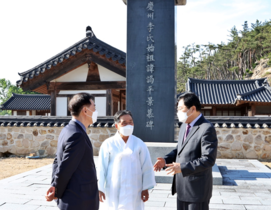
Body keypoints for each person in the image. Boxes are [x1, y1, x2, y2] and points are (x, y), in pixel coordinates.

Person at [154, 92, 218, 210]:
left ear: (192, 109)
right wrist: (165, 160)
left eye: (180, 109)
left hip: (197, 190)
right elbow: (180, 149)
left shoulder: (206, 128)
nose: (178, 112)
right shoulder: (185, 125)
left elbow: (208, 159)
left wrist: (182, 167)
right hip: (182, 187)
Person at [45, 93, 99, 210]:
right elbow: (65, 167)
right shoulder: (77, 134)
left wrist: (54, 185)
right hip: (79, 200)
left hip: (74, 198)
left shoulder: (67, 129)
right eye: (94, 107)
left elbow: (57, 161)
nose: (96, 111)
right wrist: (56, 191)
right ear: (85, 110)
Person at [98, 110, 156, 210]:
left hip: (134, 188)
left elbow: (146, 166)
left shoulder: (139, 143)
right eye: (124, 123)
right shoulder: (108, 144)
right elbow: (101, 168)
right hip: (113, 188)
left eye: (130, 122)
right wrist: (100, 188)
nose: (128, 125)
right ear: (117, 126)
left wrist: (145, 187)